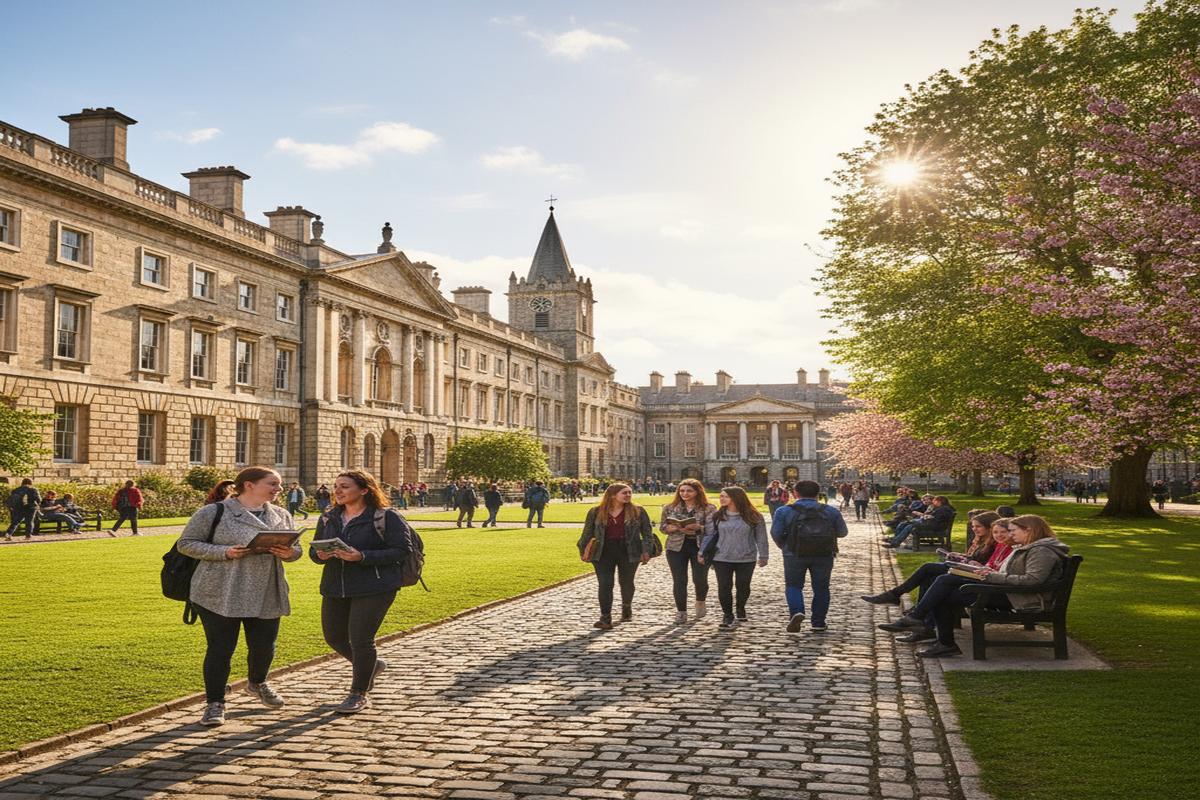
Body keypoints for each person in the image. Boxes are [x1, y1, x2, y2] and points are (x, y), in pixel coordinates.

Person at [175, 466, 301, 727]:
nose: (279, 489)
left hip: (267, 589)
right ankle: (215, 703)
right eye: (273, 484)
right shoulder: (215, 512)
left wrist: (290, 554)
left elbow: (295, 548)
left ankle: (257, 683)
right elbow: (186, 543)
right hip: (219, 590)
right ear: (249, 485)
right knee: (221, 648)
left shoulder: (281, 514)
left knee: (264, 646)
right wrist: (224, 552)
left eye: (279, 485)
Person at [884, 515, 1068, 658]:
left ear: (1029, 530)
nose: (1011, 535)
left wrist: (991, 575)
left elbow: (1032, 580)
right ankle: (933, 633)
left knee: (944, 585)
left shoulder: (1041, 551)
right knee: (945, 583)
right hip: (1009, 592)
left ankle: (926, 625)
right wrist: (986, 572)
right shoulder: (1031, 547)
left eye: (1014, 531)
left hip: (1021, 598)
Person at [310, 470, 413, 714]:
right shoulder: (328, 517)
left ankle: (358, 693)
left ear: (364, 489)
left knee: (360, 640)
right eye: (336, 486)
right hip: (336, 585)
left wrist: (362, 556)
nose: (338, 491)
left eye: (344, 486)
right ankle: (372, 666)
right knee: (334, 637)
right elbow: (314, 552)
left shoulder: (385, 516)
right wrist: (320, 555)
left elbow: (402, 550)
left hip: (374, 586)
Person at [863, 512, 1002, 642]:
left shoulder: (994, 544)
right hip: (970, 573)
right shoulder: (984, 541)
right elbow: (979, 561)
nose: (974, 529)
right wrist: (962, 557)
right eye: (973, 526)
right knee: (929, 576)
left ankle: (903, 603)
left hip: (975, 579)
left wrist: (970, 562)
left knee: (930, 569)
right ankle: (923, 625)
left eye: (978, 526)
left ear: (989, 527)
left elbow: (988, 566)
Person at [770, 480, 849, 633]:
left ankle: (797, 612)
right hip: (824, 553)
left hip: (794, 553)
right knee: (821, 588)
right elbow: (842, 532)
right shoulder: (831, 511)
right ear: (818, 494)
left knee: (793, 586)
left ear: (795, 493)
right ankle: (818, 622)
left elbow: (776, 533)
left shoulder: (783, 511)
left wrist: (785, 546)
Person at [577, 483, 656, 630]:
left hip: (629, 550)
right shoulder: (595, 511)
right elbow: (587, 533)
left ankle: (626, 606)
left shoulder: (638, 511)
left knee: (626, 582)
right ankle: (605, 618)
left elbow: (647, 533)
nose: (628, 495)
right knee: (605, 584)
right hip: (603, 551)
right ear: (613, 495)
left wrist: (646, 551)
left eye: (629, 493)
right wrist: (583, 551)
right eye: (624, 493)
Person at [700, 486, 769, 628]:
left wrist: (764, 555)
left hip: (746, 557)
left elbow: (761, 537)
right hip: (721, 557)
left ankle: (740, 608)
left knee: (743, 587)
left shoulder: (754, 516)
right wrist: (702, 552)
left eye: (725, 496)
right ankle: (727, 614)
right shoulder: (717, 516)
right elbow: (709, 536)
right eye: (721, 496)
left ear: (736, 497)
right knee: (724, 587)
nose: (721, 499)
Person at [659, 478, 715, 624]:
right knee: (679, 580)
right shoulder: (670, 508)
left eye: (689, 490)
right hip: (676, 547)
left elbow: (711, 531)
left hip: (700, 546)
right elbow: (662, 528)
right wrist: (671, 528)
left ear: (697, 492)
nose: (685, 493)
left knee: (700, 579)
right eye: (682, 490)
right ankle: (681, 612)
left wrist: (699, 528)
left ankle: (700, 601)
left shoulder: (709, 508)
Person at [883, 496, 955, 548]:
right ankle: (895, 539)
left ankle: (895, 543)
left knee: (910, 525)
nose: (933, 502)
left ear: (939, 501)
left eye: (935, 501)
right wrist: (928, 517)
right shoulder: (942, 508)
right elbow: (933, 517)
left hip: (935, 526)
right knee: (904, 523)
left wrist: (928, 517)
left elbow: (936, 519)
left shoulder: (944, 509)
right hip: (931, 523)